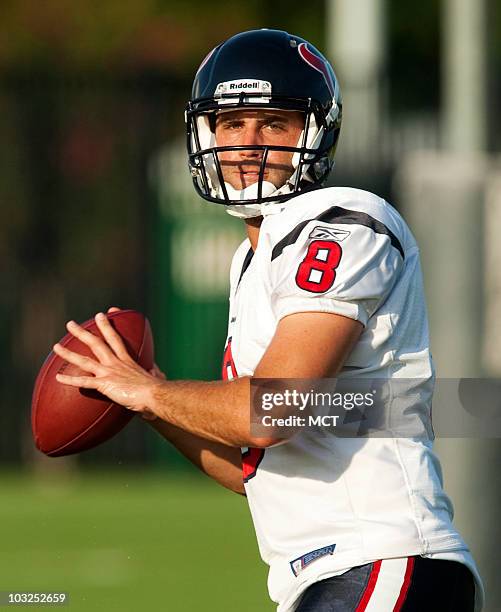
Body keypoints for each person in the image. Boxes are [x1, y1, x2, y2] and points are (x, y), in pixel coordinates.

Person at [53, 30, 484, 611]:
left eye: (273, 124)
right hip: (332, 575)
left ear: (313, 132)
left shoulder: (344, 221)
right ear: (206, 135)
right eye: (231, 124)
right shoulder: (252, 261)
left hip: (380, 561)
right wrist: (147, 401)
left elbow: (275, 410)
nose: (247, 144)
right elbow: (255, 469)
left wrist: (155, 393)